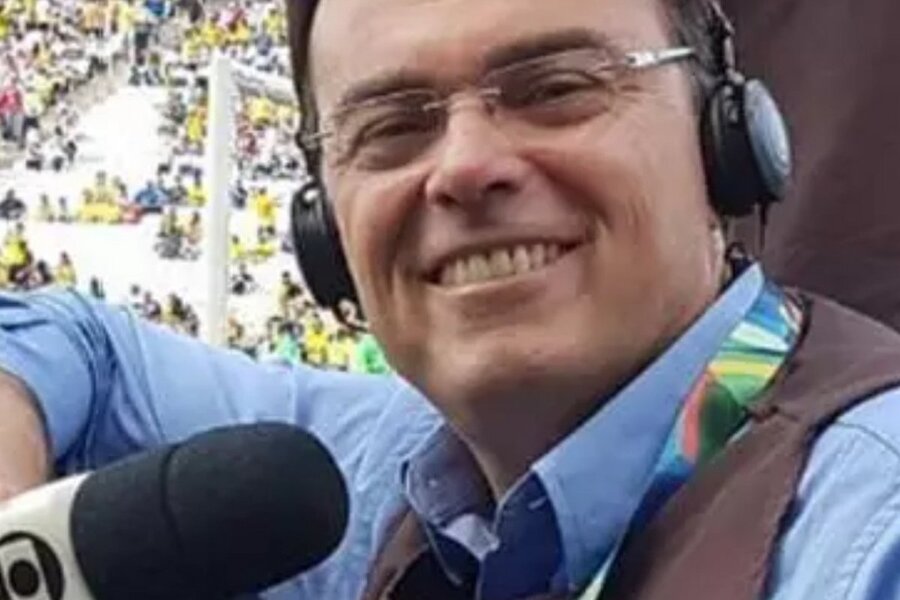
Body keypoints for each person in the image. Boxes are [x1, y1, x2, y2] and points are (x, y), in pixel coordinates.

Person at [1, 2, 900, 600]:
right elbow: (69, 342)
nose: (465, 168)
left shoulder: (869, 534)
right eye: (392, 128)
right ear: (324, 230)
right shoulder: (389, 463)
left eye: (554, 90)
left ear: (726, 144)